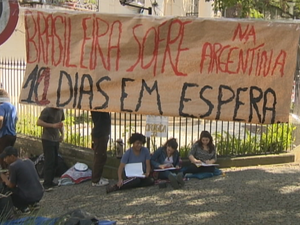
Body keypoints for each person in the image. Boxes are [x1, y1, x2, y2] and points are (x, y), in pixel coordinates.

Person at [0, 146, 43, 214]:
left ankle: (23, 207)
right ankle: (34, 203)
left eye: (5, 157)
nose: (4, 160)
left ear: (12, 156)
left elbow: (11, 185)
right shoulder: (28, 161)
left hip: (28, 196)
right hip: (39, 193)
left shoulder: (13, 166)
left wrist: (3, 177)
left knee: (7, 187)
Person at [37, 107, 64, 191]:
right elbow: (39, 122)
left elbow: (60, 123)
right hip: (47, 138)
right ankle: (46, 183)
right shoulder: (47, 110)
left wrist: (62, 134)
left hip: (56, 138)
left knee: (55, 161)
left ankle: (51, 180)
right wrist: (52, 125)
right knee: (49, 161)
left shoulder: (61, 110)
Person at [91, 111, 111, 187]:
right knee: (99, 156)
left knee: (101, 156)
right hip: (100, 133)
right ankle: (96, 180)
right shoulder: (98, 107)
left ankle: (97, 177)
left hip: (101, 133)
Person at [0, 89, 17, 169]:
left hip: (4, 135)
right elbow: (16, 119)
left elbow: (0, 118)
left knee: (3, 156)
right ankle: (10, 172)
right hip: (12, 134)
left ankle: (3, 176)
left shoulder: (1, 106)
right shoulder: (13, 107)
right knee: (9, 155)